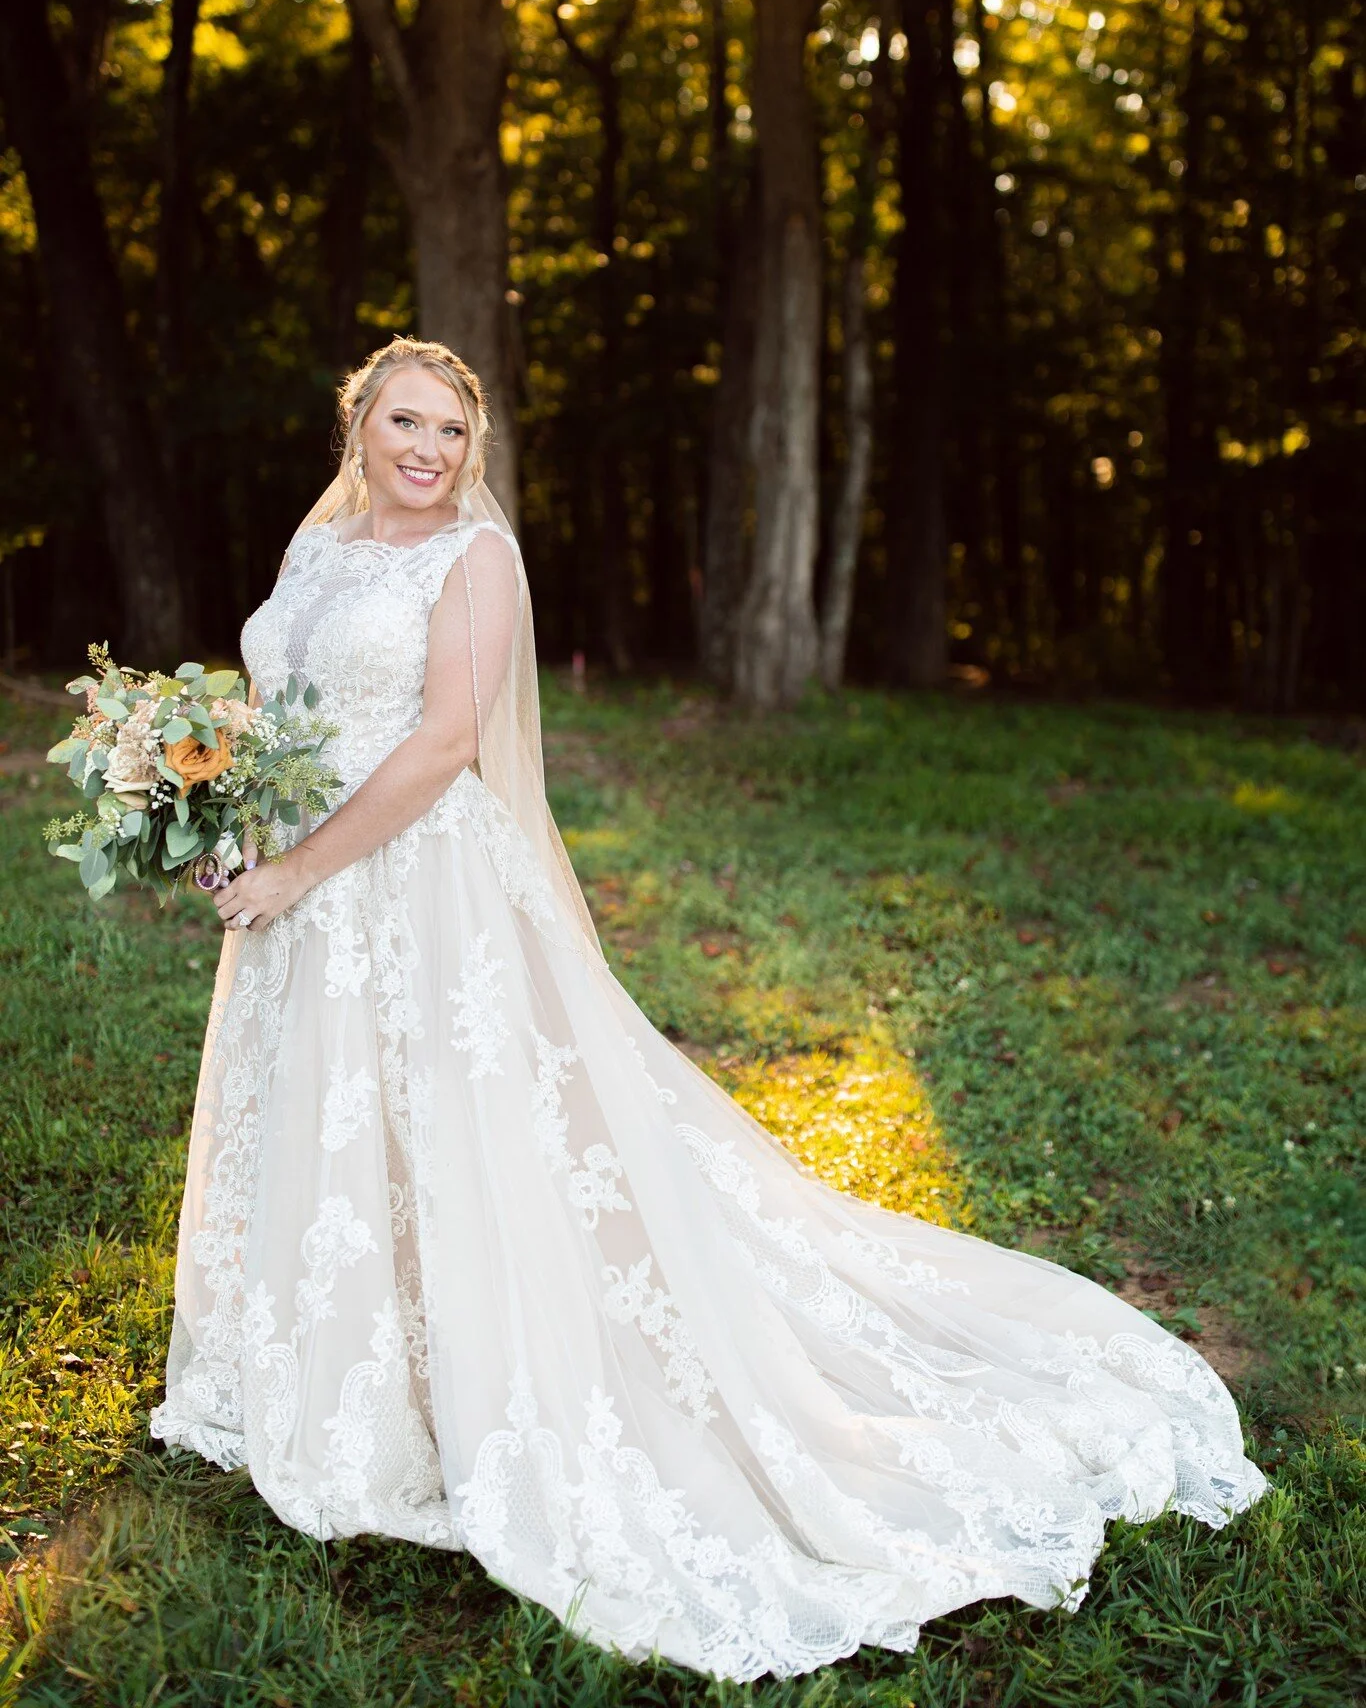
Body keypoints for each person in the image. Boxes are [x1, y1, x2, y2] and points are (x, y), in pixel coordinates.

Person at [152, 337, 1266, 1682]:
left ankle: (478, 1378)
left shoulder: (475, 559)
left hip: (410, 886)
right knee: (339, 1126)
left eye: (452, 430)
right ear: (359, 426)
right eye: (407, 422)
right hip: (298, 885)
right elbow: (276, 710)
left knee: (461, 1130)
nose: (430, 450)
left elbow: (444, 744)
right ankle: (339, 1368)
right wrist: (217, 815)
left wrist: (299, 869)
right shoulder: (318, 548)